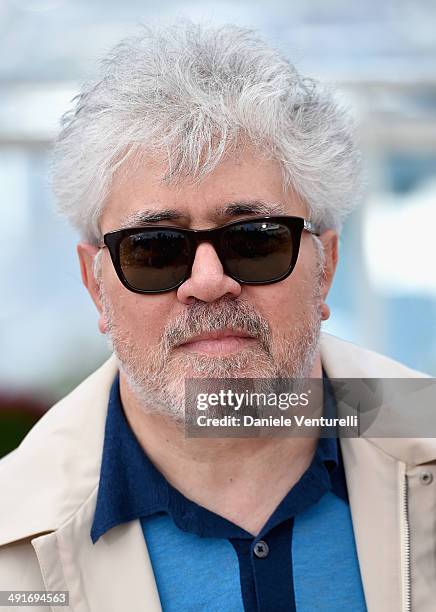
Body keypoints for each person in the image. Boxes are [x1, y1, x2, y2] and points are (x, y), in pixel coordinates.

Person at [0, 21, 434, 612]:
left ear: (326, 267)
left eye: (255, 241)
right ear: (96, 287)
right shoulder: (12, 534)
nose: (208, 283)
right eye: (154, 249)